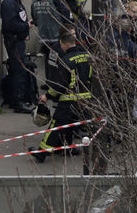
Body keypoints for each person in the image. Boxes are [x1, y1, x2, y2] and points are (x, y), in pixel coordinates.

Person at [30, 28, 92, 163]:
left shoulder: (66, 60)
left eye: (62, 45)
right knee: (72, 125)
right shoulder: (87, 56)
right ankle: (68, 148)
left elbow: (60, 84)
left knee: (56, 125)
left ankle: (41, 153)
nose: (62, 48)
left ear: (65, 44)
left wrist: (47, 96)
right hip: (87, 99)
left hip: (70, 99)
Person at [1, 0, 35, 113]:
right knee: (18, 71)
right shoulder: (9, 4)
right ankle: (18, 102)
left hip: (19, 41)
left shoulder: (16, 2)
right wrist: (25, 26)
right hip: (13, 42)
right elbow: (10, 24)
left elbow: (20, 19)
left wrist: (25, 30)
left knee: (20, 70)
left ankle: (19, 99)